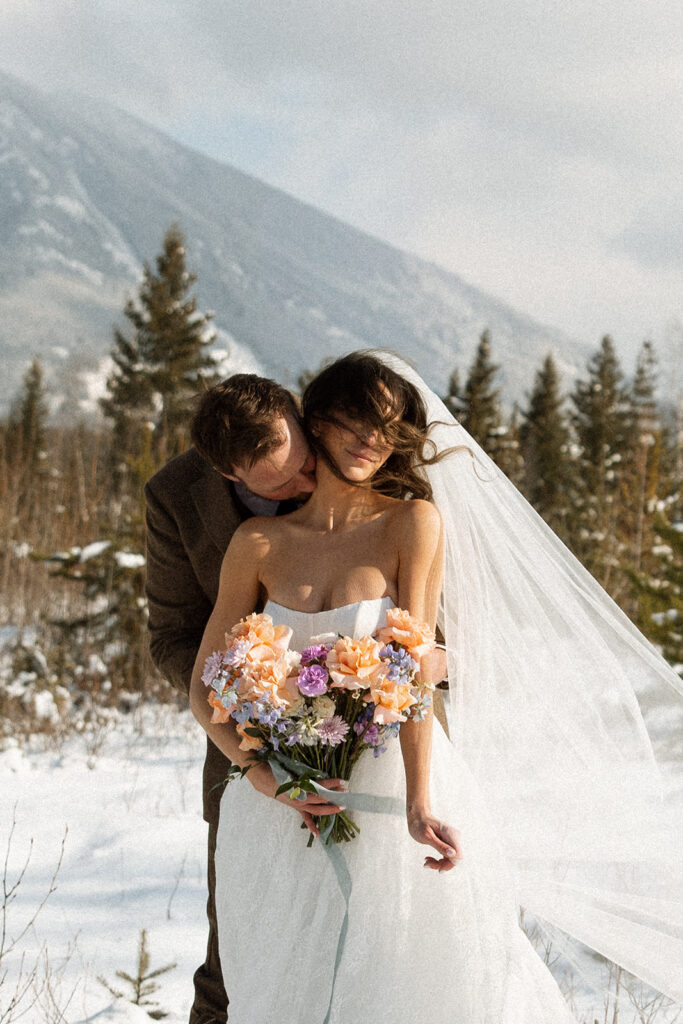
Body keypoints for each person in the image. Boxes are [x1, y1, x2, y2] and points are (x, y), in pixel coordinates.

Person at [189, 352, 590, 1022]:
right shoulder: (256, 542)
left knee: (401, 986)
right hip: (278, 810)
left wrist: (419, 801)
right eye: (355, 418)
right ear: (313, 420)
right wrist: (262, 777)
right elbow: (207, 691)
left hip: (380, 795)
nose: (372, 436)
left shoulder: (411, 523)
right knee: (289, 987)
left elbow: (408, 674)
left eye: (387, 423)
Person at [145, 373, 319, 1024]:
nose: (307, 486)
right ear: (227, 475)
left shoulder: (345, 450)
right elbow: (172, 637)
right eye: (280, 486)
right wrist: (259, 702)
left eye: (303, 465)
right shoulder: (173, 496)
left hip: (380, 742)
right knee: (235, 963)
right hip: (244, 758)